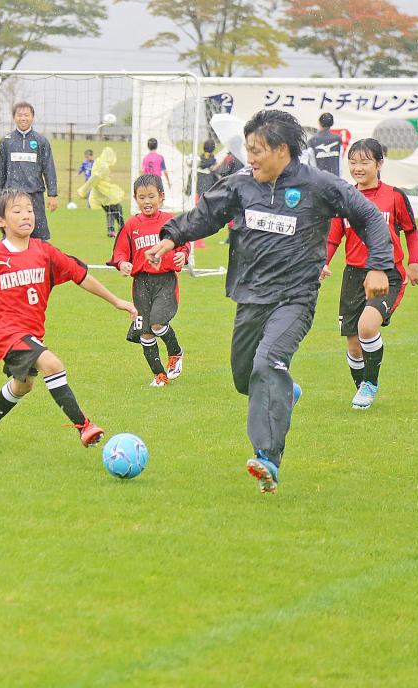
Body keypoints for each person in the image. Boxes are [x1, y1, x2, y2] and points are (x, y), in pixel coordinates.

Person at [146, 110, 393, 494]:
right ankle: (285, 392)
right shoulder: (242, 184)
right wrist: (170, 237)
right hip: (251, 297)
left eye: (257, 150)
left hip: (295, 299)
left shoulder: (317, 185)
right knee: (245, 378)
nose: (250, 158)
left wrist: (378, 266)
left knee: (268, 363)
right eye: (248, 149)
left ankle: (267, 457)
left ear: (282, 150)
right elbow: (206, 214)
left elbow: (369, 216)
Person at [0, 189, 137, 447]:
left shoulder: (44, 251)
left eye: (29, 210)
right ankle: (85, 426)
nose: (26, 215)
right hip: (8, 334)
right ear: (1, 221)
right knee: (53, 365)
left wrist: (117, 301)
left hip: (32, 333)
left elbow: (79, 274)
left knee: (23, 385)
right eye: (17, 211)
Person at [321, 138, 418, 410]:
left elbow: (411, 230)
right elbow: (333, 238)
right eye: (353, 162)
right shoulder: (343, 198)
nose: (358, 168)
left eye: (365, 162)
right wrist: (322, 262)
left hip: (387, 274)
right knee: (354, 345)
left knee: (367, 326)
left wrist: (414, 262)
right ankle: (362, 388)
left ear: (379, 164)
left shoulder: (394, 196)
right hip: (353, 276)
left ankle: (370, 384)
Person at [110, 174, 190, 387]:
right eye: (142, 197)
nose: (147, 201)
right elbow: (120, 252)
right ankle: (159, 375)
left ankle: (175, 352)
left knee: (157, 323)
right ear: (135, 199)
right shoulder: (131, 225)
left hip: (165, 281)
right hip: (141, 284)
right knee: (145, 333)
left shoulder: (170, 221)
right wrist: (122, 263)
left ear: (161, 196)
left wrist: (183, 255)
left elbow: (183, 244)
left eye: (151, 196)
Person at [0, 101, 58, 240]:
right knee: (12, 233)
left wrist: (52, 194)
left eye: (26, 115)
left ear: (32, 117)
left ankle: (38, 254)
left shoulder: (41, 141)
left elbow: (49, 168)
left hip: (35, 195)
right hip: (12, 195)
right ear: (14, 117)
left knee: (38, 236)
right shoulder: (6, 141)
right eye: (20, 115)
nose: (23, 118)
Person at [77, 145, 124, 238]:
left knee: (110, 210)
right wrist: (83, 190)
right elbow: (95, 178)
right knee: (117, 208)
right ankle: (122, 229)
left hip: (98, 192)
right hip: (103, 192)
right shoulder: (103, 166)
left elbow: (97, 176)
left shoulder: (98, 162)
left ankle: (112, 230)